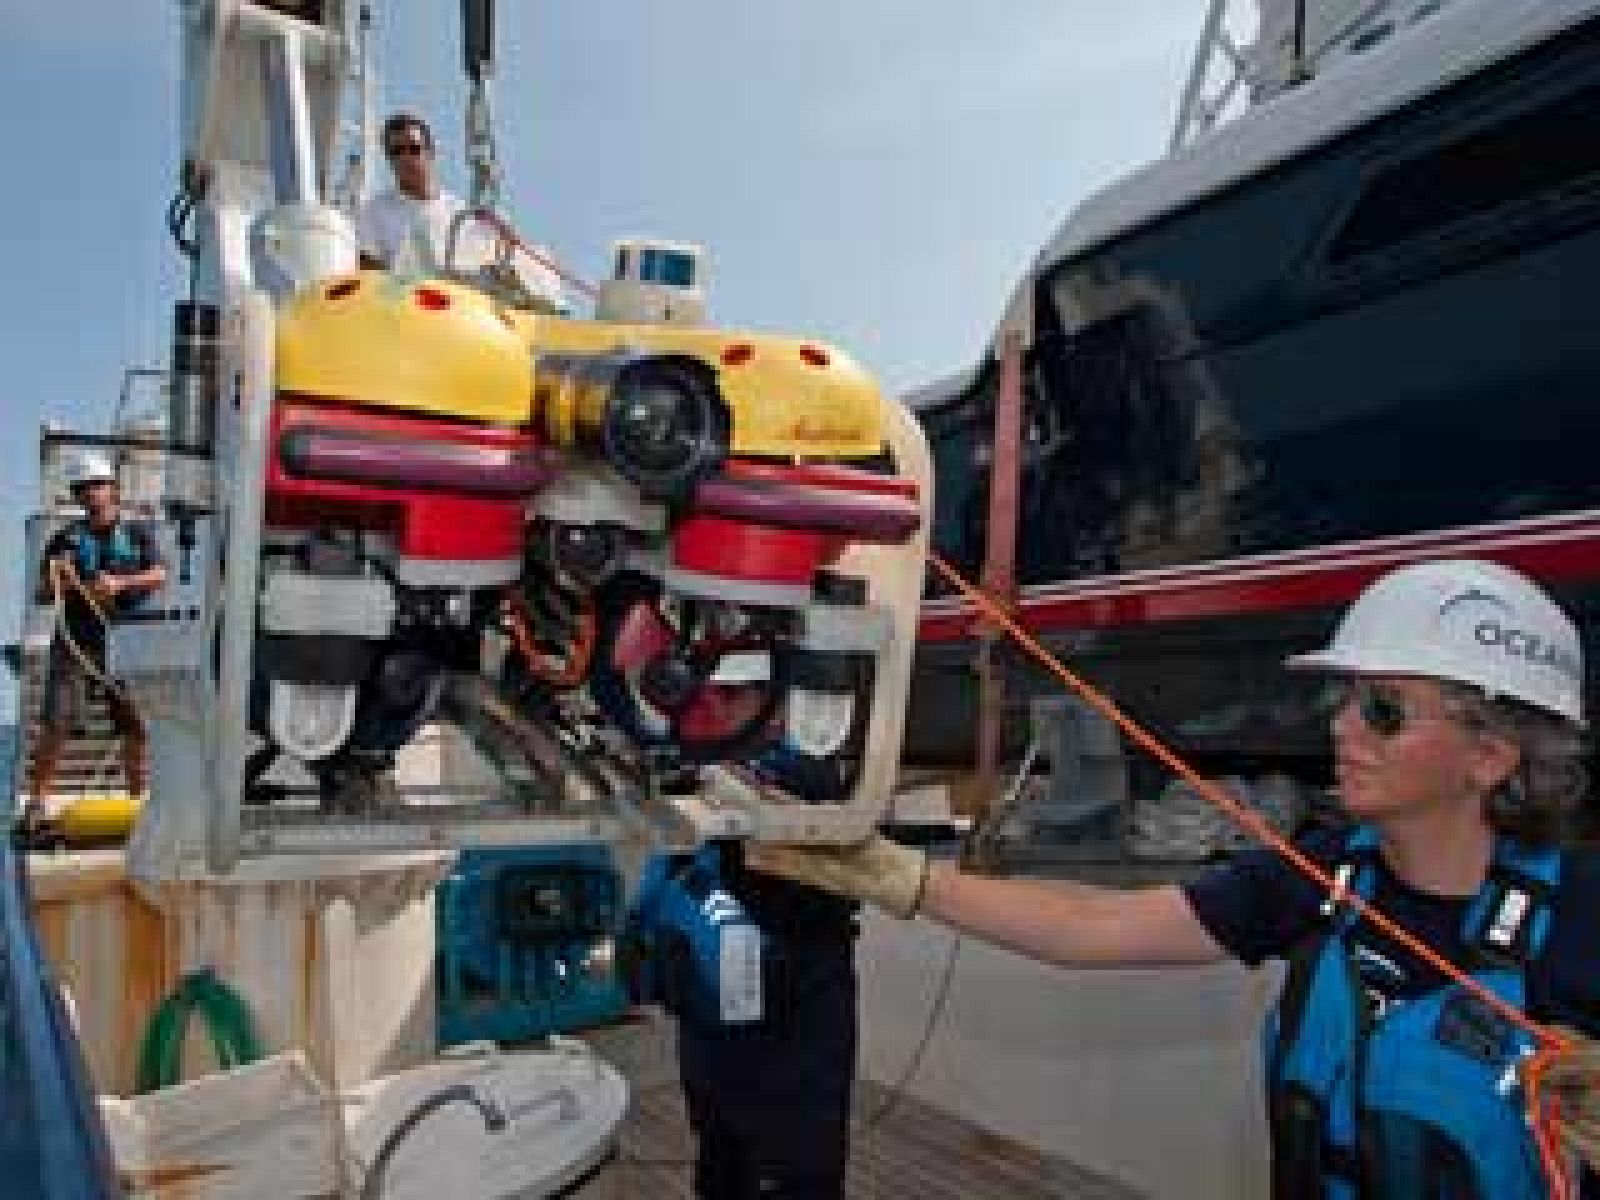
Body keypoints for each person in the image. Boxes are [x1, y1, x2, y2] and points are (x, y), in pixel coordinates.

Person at [751, 558, 1600, 1199]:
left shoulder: (1582, 916)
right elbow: (1092, 928)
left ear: (1491, 755)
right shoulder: (1318, 880)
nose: (1342, 727)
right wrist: (893, 874)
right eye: (1344, 700)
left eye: (1383, 710)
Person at [28, 453, 167, 815]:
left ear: (113, 489)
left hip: (127, 640)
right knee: (57, 721)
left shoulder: (138, 534)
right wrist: (61, 581)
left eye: (97, 485)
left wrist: (120, 583)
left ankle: (138, 803)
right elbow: (43, 594)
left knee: (134, 724)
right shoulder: (64, 541)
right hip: (76, 640)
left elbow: (159, 575)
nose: (91, 493)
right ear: (77, 495)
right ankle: (36, 805)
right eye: (83, 488)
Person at [358, 112, 565, 310]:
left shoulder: (464, 213)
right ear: (389, 159)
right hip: (407, 305)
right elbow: (370, 280)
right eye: (397, 151)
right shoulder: (375, 212)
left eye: (414, 148)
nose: (406, 158)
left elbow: (498, 257)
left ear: (430, 152)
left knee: (531, 259)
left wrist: (506, 239)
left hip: (465, 307)